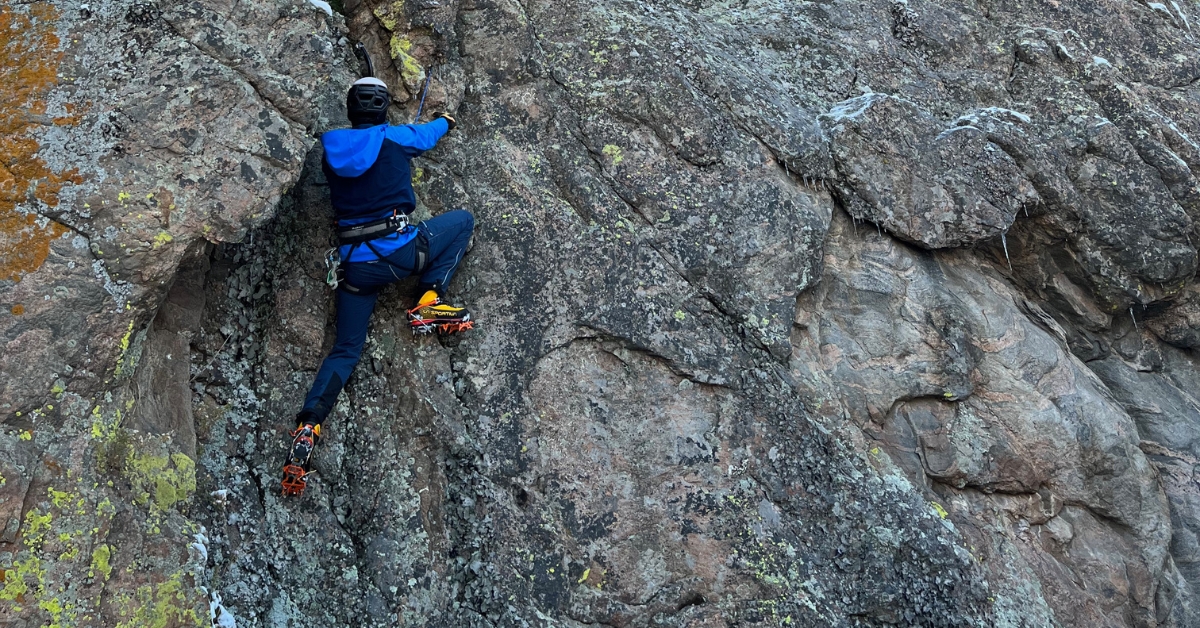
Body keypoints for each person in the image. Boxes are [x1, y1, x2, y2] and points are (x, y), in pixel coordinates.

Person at [281, 77, 475, 496]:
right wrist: (446, 119)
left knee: (345, 351)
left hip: (355, 270)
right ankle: (429, 299)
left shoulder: (330, 149)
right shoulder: (395, 137)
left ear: (351, 110)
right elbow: (429, 134)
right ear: (383, 108)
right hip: (399, 255)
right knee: (461, 221)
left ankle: (309, 424)